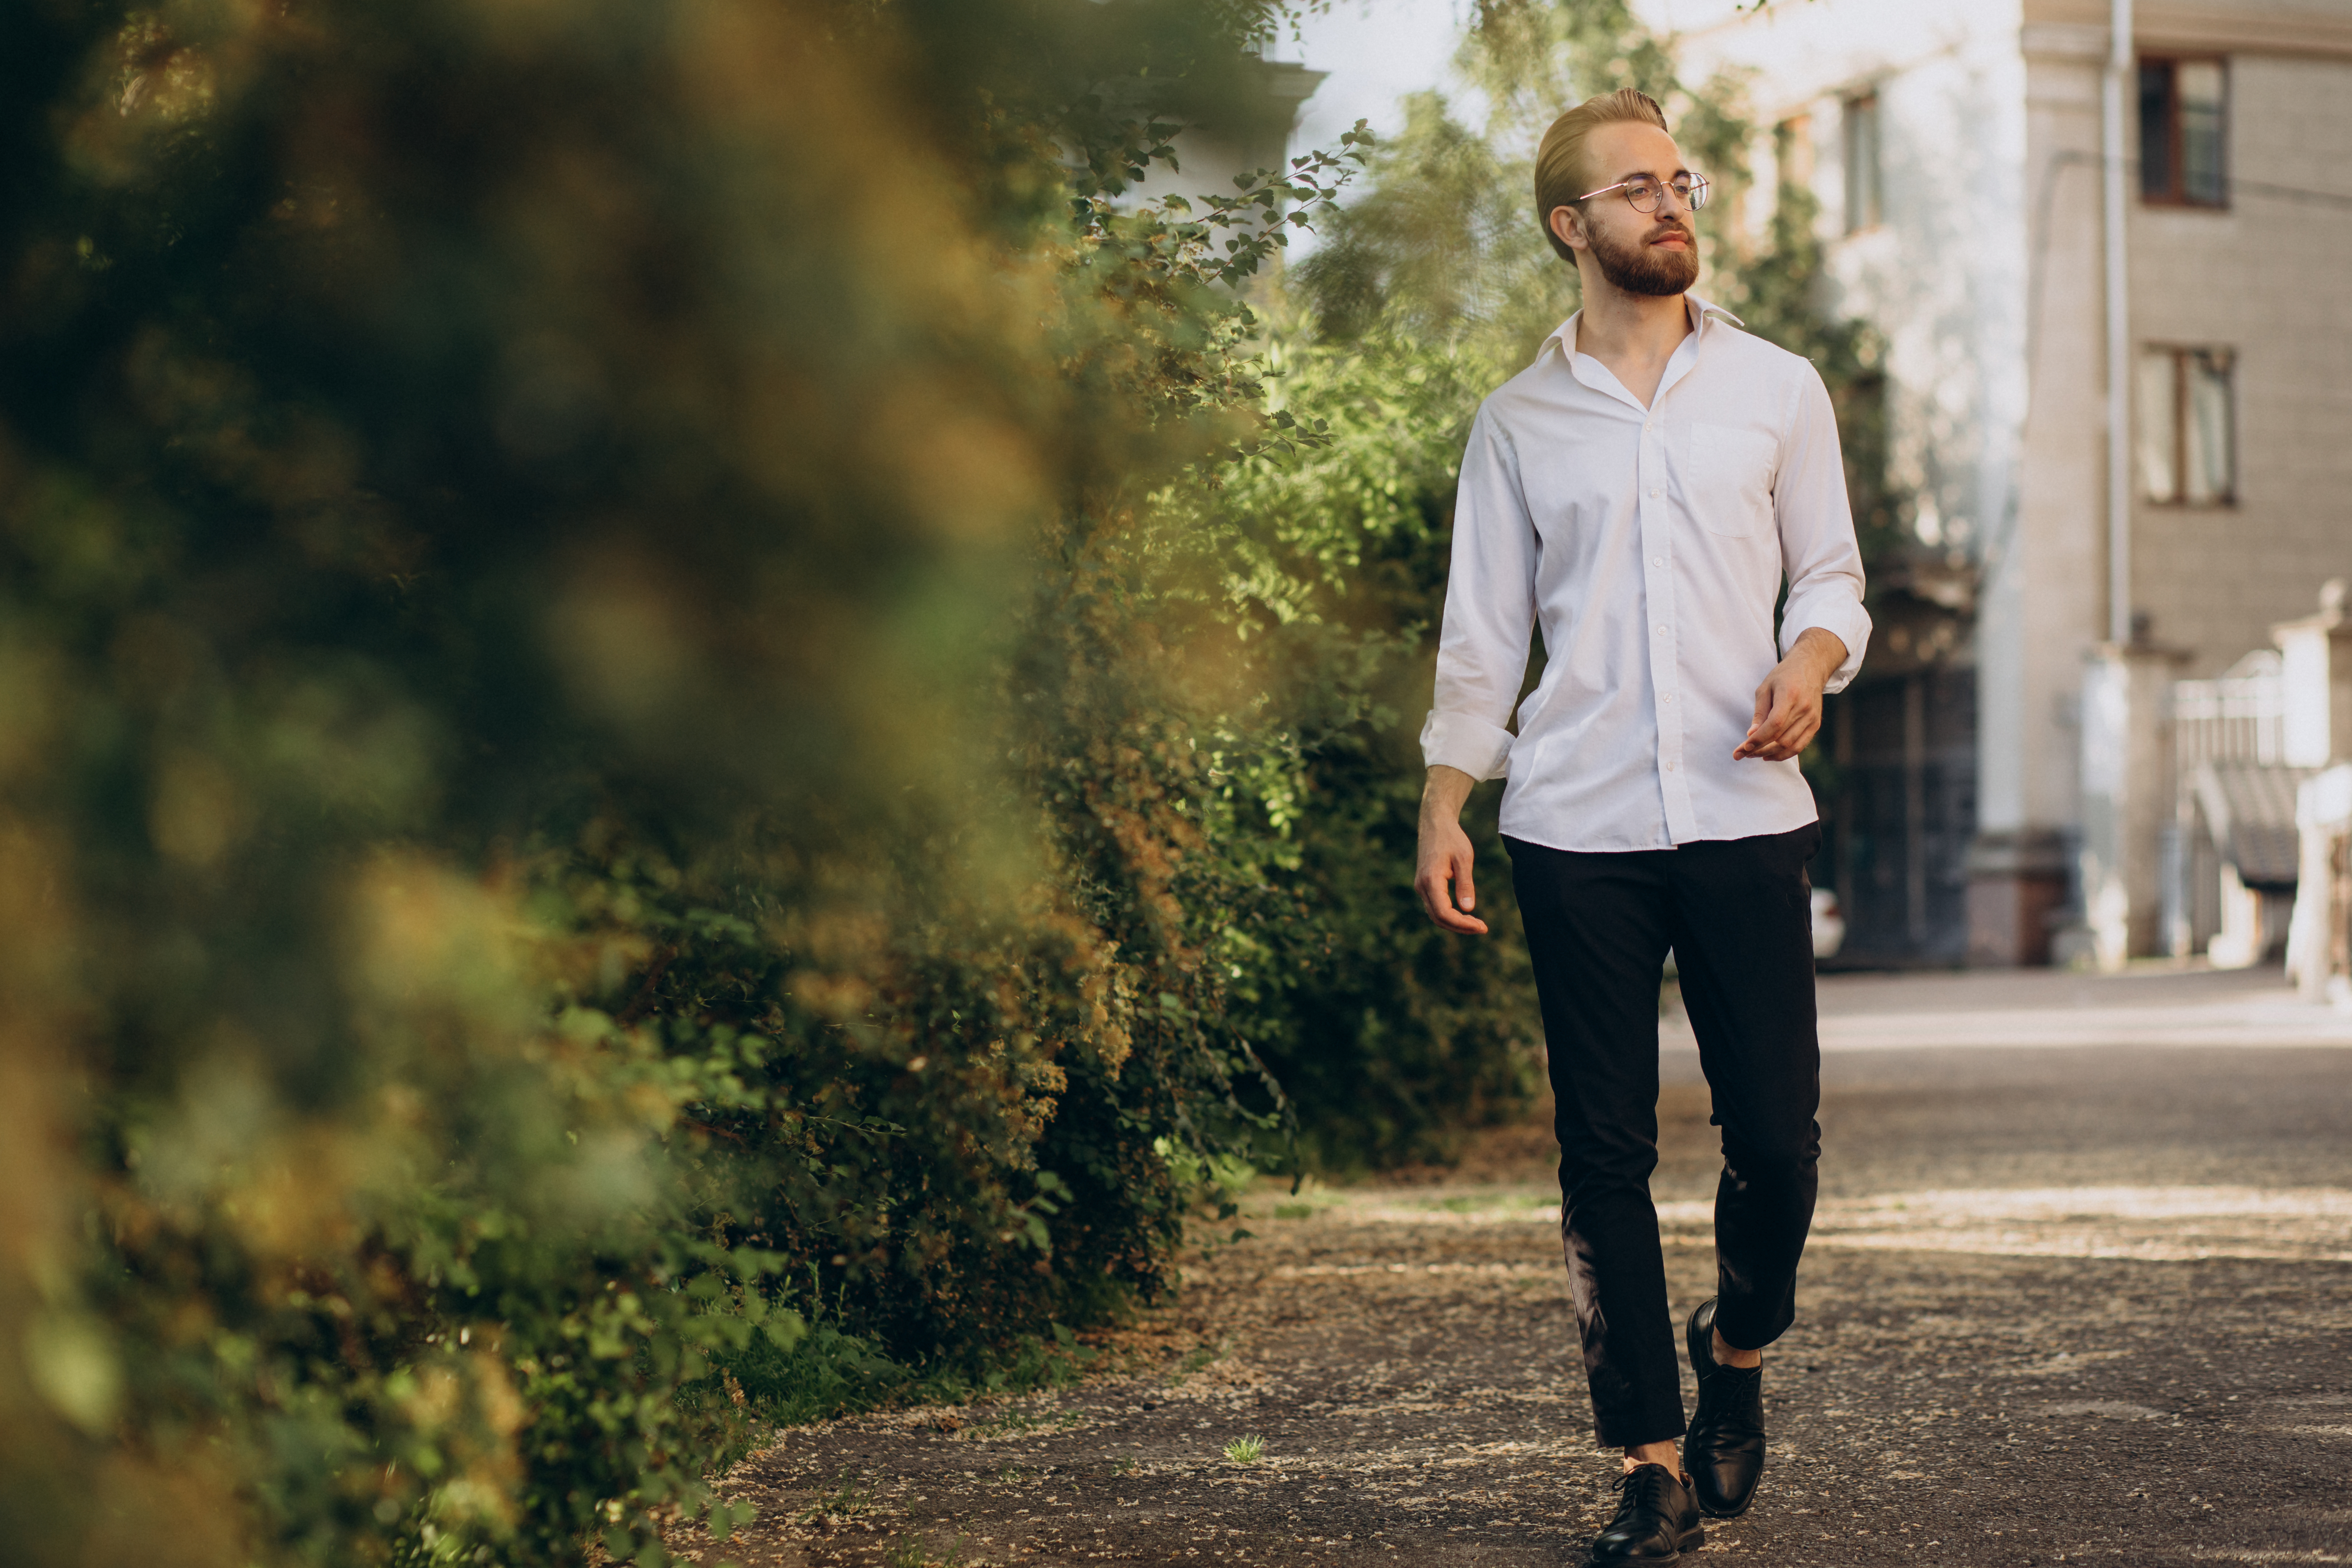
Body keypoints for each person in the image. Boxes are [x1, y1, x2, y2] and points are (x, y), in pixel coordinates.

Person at [1412, 88, 1869, 1566]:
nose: (1671, 205)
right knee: (1601, 1154)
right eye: (1635, 188)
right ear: (1572, 226)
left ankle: (1737, 1350)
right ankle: (1651, 1463)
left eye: (1679, 181)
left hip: (1745, 810)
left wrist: (1809, 664)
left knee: (1779, 1149)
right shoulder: (1519, 420)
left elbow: (1833, 581)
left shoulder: (1777, 389)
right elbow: (1483, 636)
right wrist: (1447, 801)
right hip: (1577, 821)